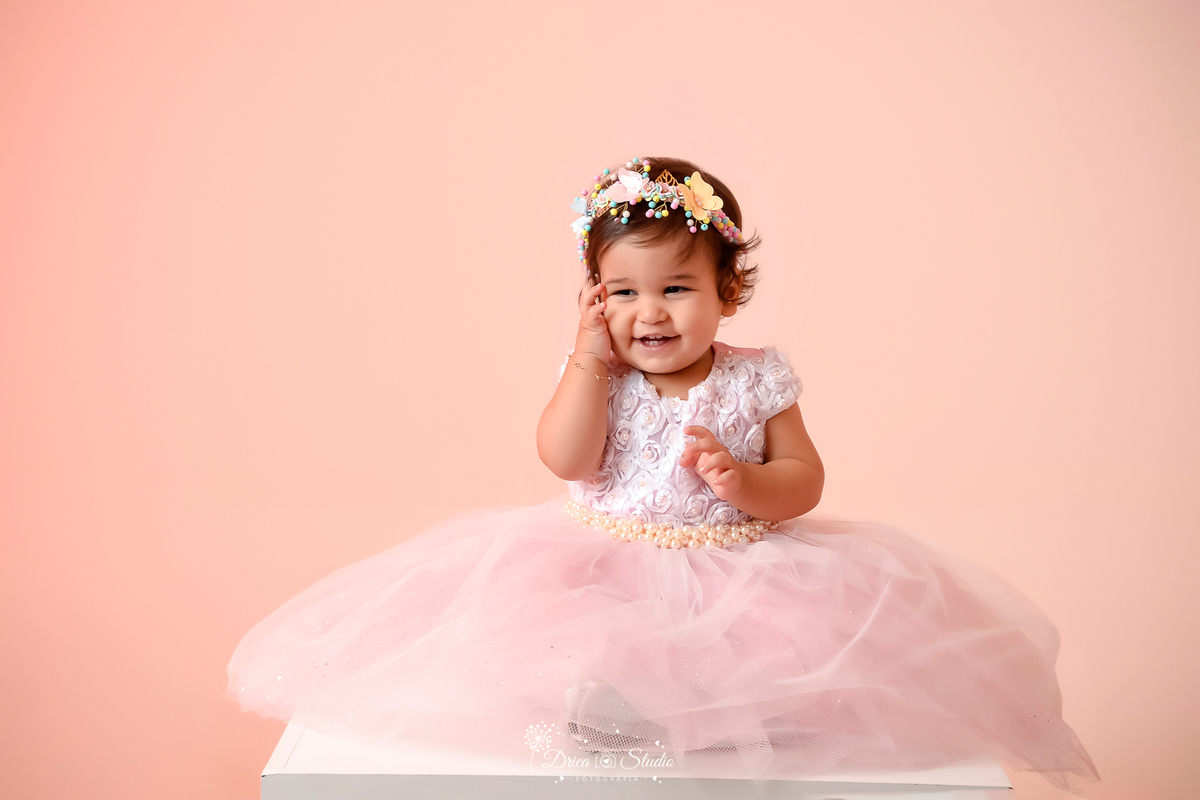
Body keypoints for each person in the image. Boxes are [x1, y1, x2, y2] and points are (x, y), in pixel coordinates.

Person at [226, 156, 1097, 791]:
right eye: (623, 292)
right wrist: (583, 362)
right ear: (595, 299)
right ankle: (616, 745)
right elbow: (564, 459)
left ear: (728, 291)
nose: (650, 312)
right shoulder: (597, 375)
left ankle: (744, 739)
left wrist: (745, 483)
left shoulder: (757, 377)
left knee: (763, 660)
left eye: (678, 288)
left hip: (739, 564)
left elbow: (805, 477)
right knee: (605, 654)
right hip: (603, 559)